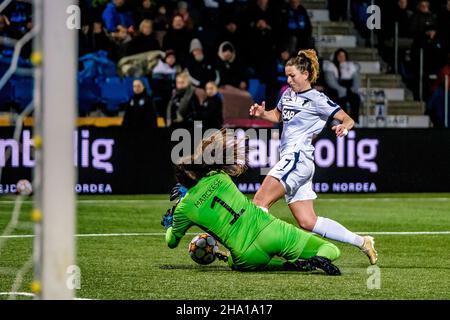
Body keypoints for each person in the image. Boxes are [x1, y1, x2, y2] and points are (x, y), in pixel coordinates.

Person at [248, 49, 378, 265]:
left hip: (298, 159)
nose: (288, 80)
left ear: (306, 74)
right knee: (308, 221)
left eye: (293, 76)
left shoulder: (317, 99)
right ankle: (362, 241)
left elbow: (348, 119)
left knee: (260, 202)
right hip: (296, 161)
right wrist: (263, 114)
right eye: (287, 75)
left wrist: (343, 127)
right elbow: (278, 115)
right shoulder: (287, 95)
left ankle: (254, 252)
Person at [162, 130, 342, 275]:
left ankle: (283, 266)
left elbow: (171, 241)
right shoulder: (219, 175)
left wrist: (171, 224)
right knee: (330, 248)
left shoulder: (183, 209)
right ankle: (320, 259)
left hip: (247, 255)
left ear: (181, 182)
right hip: (272, 231)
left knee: (233, 262)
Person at [322, 48, 361, 122]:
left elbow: (356, 79)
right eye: (339, 56)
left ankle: (353, 120)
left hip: (348, 87)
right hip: (336, 89)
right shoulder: (332, 66)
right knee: (340, 101)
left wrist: (353, 88)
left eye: (343, 56)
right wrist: (341, 89)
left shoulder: (350, 66)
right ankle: (341, 120)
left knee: (356, 98)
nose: (341, 58)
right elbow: (331, 82)